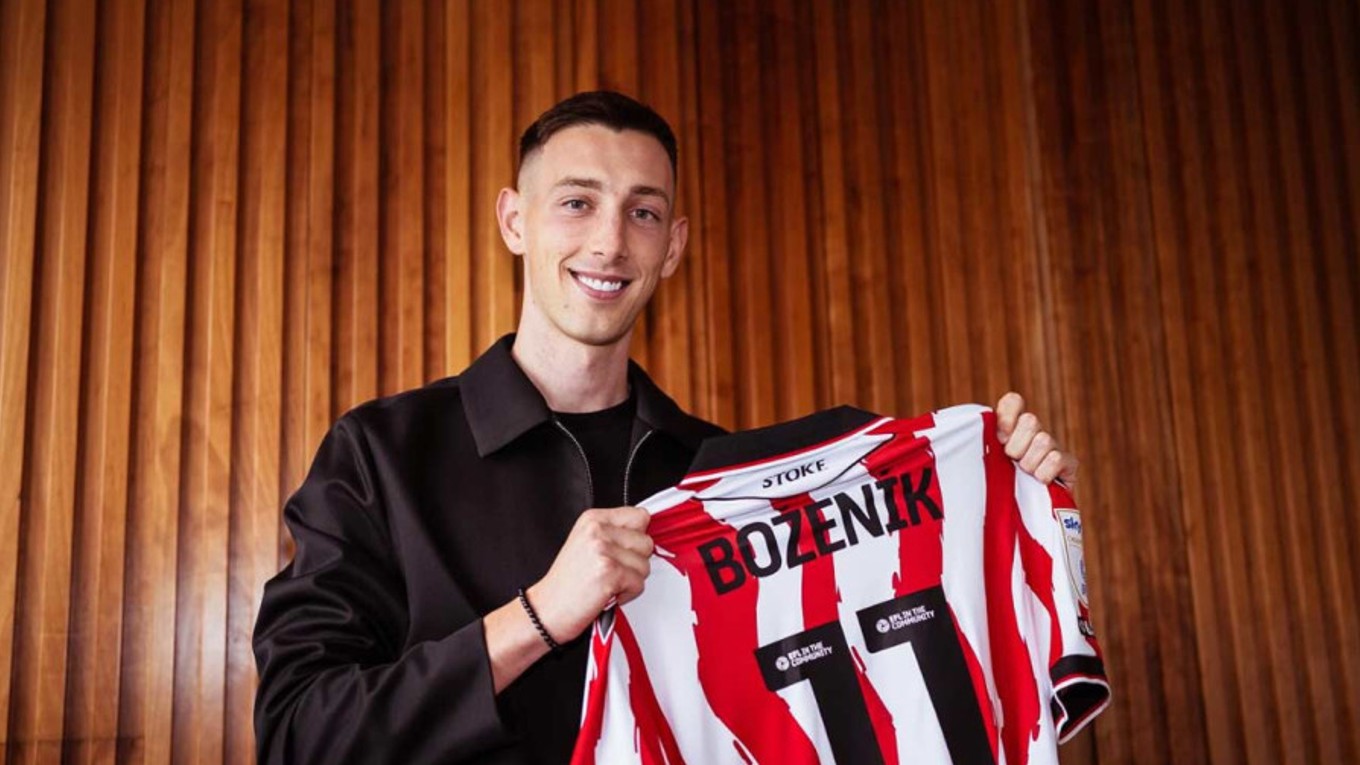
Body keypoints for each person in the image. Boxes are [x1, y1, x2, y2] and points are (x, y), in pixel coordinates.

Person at [252, 91, 1079, 764]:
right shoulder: (380, 454)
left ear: (673, 245)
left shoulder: (727, 478)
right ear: (515, 221)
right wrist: (539, 616)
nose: (609, 242)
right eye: (577, 203)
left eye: (644, 213)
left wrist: (1004, 490)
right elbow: (298, 732)